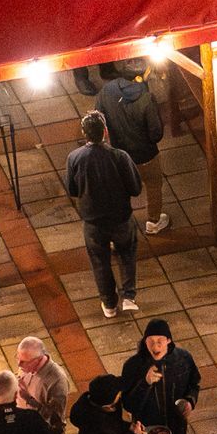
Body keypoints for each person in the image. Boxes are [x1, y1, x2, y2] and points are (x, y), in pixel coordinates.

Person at [65, 110, 143, 318]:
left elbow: (72, 189)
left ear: (84, 133)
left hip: (93, 221)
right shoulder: (120, 157)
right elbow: (135, 188)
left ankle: (109, 304)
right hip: (120, 217)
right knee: (127, 254)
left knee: (100, 261)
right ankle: (128, 296)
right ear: (105, 132)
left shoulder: (75, 158)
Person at [93, 59, 169, 232]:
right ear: (139, 78)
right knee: (153, 184)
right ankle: (154, 221)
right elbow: (156, 133)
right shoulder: (146, 99)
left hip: (119, 156)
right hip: (145, 155)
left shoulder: (107, 91)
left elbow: (98, 119)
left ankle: (119, 225)